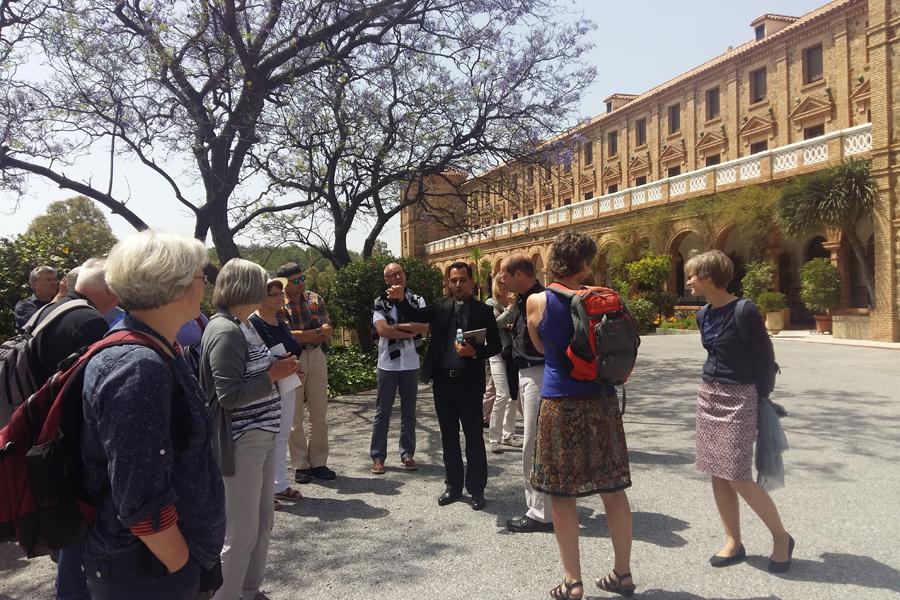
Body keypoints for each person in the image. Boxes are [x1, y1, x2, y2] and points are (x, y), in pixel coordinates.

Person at [79, 231, 226, 600]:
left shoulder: (156, 348)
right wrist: (182, 564)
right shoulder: (139, 366)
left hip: (155, 564)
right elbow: (139, 494)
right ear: (176, 286)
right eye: (201, 275)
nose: (205, 285)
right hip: (148, 570)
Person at [526, 232, 635, 600]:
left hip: (560, 404)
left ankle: (573, 582)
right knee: (613, 489)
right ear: (586, 264)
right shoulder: (606, 298)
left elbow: (541, 347)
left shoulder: (538, 301)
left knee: (562, 494)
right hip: (602, 402)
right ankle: (623, 573)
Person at [685, 250, 794, 573]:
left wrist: (760, 397)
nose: (688, 281)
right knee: (716, 470)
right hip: (709, 394)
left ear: (708, 277)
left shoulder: (745, 311)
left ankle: (781, 538)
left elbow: (765, 359)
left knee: (737, 475)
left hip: (741, 396)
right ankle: (733, 540)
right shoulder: (703, 314)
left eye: (692, 275)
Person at [200, 258, 300, 600]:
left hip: (262, 435)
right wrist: (273, 375)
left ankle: (249, 589)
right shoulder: (225, 330)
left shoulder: (244, 324)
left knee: (262, 521)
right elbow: (228, 396)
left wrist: (280, 370)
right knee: (241, 532)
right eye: (260, 283)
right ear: (245, 287)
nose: (267, 290)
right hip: (243, 441)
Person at [29, 258, 119, 600]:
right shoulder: (89, 322)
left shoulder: (52, 311)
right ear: (105, 288)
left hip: (45, 436)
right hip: (73, 442)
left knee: (70, 530)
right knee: (81, 531)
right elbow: (94, 393)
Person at [391, 261, 501, 510]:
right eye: (453, 280)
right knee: (448, 436)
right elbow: (414, 315)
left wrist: (475, 352)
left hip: (470, 383)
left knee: (474, 437)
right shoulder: (440, 306)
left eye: (462, 280)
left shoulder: (483, 311)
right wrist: (400, 299)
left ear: (471, 282)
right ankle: (453, 486)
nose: (458, 284)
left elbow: (496, 345)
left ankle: (476, 489)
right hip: (444, 382)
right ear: (448, 283)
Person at [500, 254, 553, 534]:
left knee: (533, 443)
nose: (501, 279)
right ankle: (546, 507)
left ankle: (540, 513)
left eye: (504, 274)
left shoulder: (539, 299)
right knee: (537, 441)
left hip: (537, 373)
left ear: (519, 274)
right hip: (528, 373)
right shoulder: (523, 299)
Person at [276, 261, 336, 484]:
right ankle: (300, 464)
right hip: (293, 359)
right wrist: (317, 331)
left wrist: (308, 334)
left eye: (302, 278)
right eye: (296, 281)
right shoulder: (279, 305)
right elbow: (287, 336)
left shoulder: (315, 299)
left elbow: (328, 331)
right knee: (295, 416)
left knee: (319, 413)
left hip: (317, 356)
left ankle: (319, 462)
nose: (301, 283)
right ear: (285, 284)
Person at [249, 277, 305, 503]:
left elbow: (292, 351)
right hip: (265, 386)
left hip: (287, 383)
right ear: (260, 298)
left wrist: (295, 369)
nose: (279, 297)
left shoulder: (281, 322)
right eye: (272, 294)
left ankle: (279, 484)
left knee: (282, 434)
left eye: (280, 293)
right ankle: (262, 490)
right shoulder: (253, 323)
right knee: (265, 437)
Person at [369, 262, 429, 474]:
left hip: (410, 363)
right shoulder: (380, 302)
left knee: (409, 412)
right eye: (392, 275)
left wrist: (399, 328)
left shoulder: (417, 300)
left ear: (404, 275)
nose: (397, 277)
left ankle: (407, 454)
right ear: (386, 280)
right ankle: (378, 456)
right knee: (382, 412)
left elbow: (423, 326)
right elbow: (383, 331)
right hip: (388, 364)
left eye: (399, 273)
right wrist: (409, 331)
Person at [486, 270, 521, 453]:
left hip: (513, 352)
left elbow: (517, 324)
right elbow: (495, 324)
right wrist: (509, 309)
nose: (504, 285)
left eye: (506, 282)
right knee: (502, 393)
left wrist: (511, 311)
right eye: (500, 282)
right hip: (497, 352)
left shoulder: (515, 302)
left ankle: (508, 435)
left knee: (513, 394)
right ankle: (494, 438)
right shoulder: (491, 303)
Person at [14, 265, 58, 330]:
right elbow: (39, 326)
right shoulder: (24, 306)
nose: (54, 283)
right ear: (34, 285)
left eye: (55, 280)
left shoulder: (60, 302)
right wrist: (60, 297)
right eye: (48, 280)